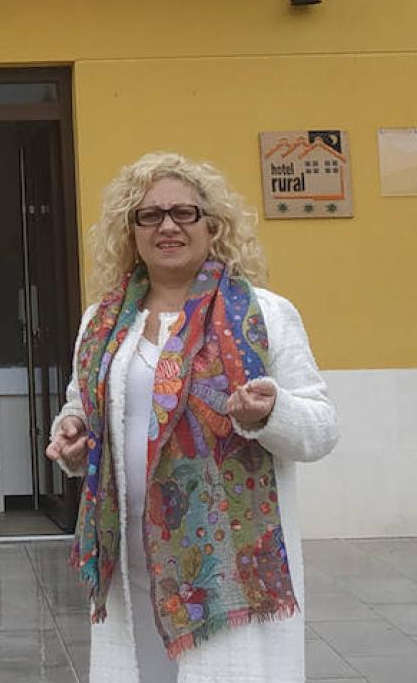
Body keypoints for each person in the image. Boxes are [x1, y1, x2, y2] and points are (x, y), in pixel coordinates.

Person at [45, 151, 339, 682]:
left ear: (212, 225)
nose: (168, 226)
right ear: (130, 231)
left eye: (184, 213)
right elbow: (82, 411)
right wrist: (71, 436)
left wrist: (273, 411)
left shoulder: (266, 314)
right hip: (129, 560)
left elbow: (321, 429)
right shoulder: (103, 323)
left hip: (228, 570)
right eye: (150, 215)